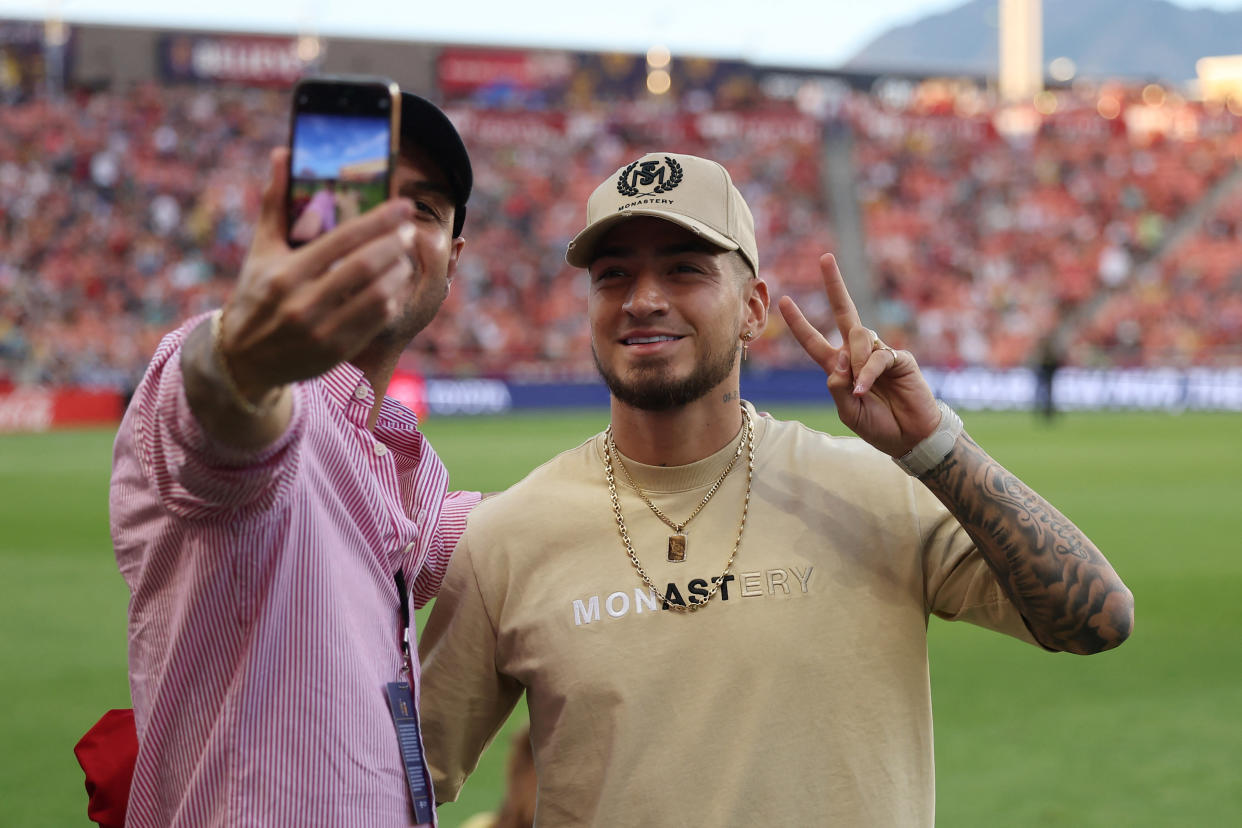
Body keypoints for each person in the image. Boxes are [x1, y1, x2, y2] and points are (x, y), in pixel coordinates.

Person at [416, 152, 1134, 826]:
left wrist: (936, 448)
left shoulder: (876, 487)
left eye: (685, 269)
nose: (642, 300)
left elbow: (1095, 620)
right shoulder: (504, 536)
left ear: (755, 308)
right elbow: (397, 783)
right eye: (612, 275)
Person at [108, 93, 476, 827]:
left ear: (453, 260)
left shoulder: (401, 460)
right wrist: (247, 355)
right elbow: (224, 420)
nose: (392, 227)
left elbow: (512, 529)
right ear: (295, 220)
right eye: (367, 199)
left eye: (425, 209)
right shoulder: (258, 396)